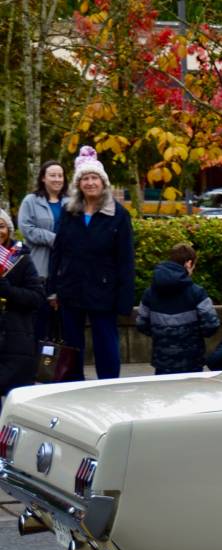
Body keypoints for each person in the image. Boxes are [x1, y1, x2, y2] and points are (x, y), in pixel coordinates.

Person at [47, 146, 135, 381]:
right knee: (72, 346)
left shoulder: (118, 215)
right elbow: (58, 252)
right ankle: (73, 385)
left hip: (104, 290)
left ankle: (107, 386)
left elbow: (126, 259)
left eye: (94, 177)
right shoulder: (69, 212)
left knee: (106, 344)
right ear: (79, 184)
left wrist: (125, 298)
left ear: (103, 182)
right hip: (71, 288)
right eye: (85, 178)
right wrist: (53, 288)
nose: (90, 183)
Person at [134, 243, 221, 375]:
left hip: (162, 360)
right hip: (192, 360)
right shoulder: (197, 292)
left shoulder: (150, 293)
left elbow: (141, 323)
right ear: (189, 263)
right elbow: (212, 324)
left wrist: (160, 335)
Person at [0, 210, 45, 404]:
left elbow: (36, 298)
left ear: (9, 229)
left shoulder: (20, 258)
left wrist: (7, 291)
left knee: (15, 403)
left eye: (1, 226)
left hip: (15, 339)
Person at [17, 160, 65, 341]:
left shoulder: (71, 202)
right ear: (43, 178)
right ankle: (36, 364)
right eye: (52, 175)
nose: (57, 179)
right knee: (39, 322)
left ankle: (59, 367)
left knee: (62, 327)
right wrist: (54, 239)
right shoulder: (31, 201)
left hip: (64, 271)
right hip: (40, 270)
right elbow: (26, 229)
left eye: (60, 175)